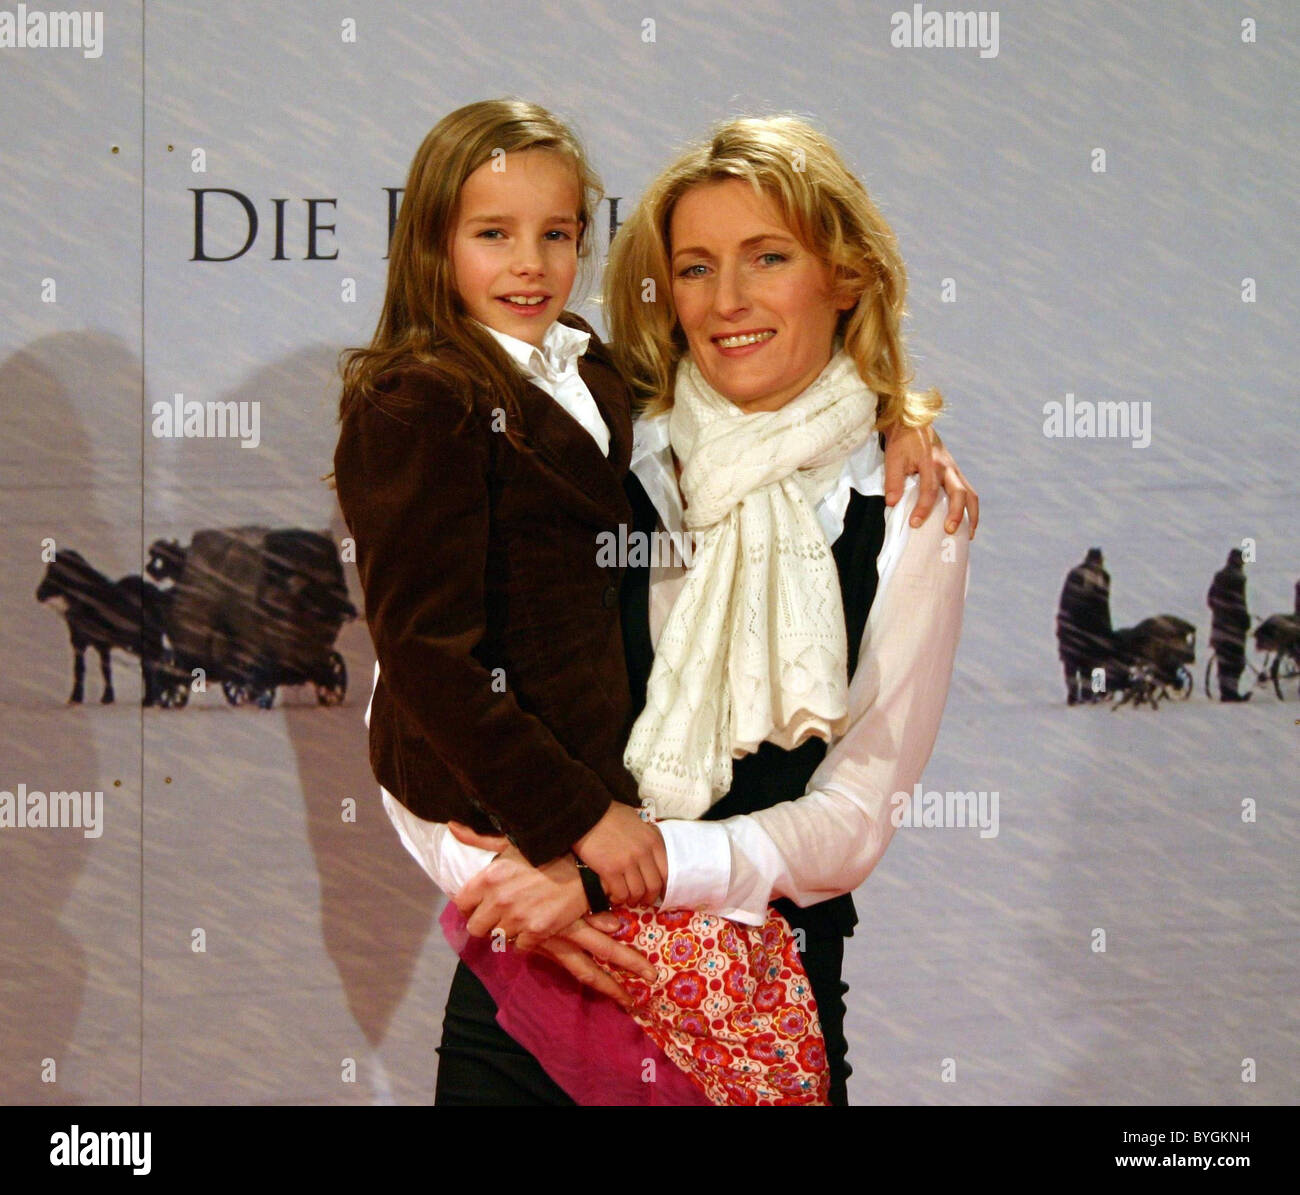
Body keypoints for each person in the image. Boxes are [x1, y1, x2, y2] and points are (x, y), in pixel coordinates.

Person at [437, 113, 974, 1105]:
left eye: (767, 257)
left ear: (845, 276)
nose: (726, 300)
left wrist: (611, 871)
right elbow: (426, 694)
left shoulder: (908, 507)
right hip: (536, 986)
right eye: (694, 266)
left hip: (754, 1007)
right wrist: (486, 875)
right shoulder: (589, 439)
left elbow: (854, 818)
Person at [1056, 547, 1112, 704]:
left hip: (1082, 627)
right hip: (1084, 627)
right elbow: (1101, 606)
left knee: (1080, 663)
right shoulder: (1098, 577)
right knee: (1093, 662)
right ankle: (1091, 693)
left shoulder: (1099, 577)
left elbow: (1102, 605)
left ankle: (1087, 693)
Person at [1207, 548, 1251, 702]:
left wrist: (1221, 613)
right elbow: (1239, 604)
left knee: (1224, 661)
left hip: (1219, 626)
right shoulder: (1238, 579)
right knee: (1235, 661)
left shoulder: (1219, 576)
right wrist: (1244, 619)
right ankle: (1231, 692)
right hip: (1233, 629)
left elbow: (1211, 600)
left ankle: (1225, 691)